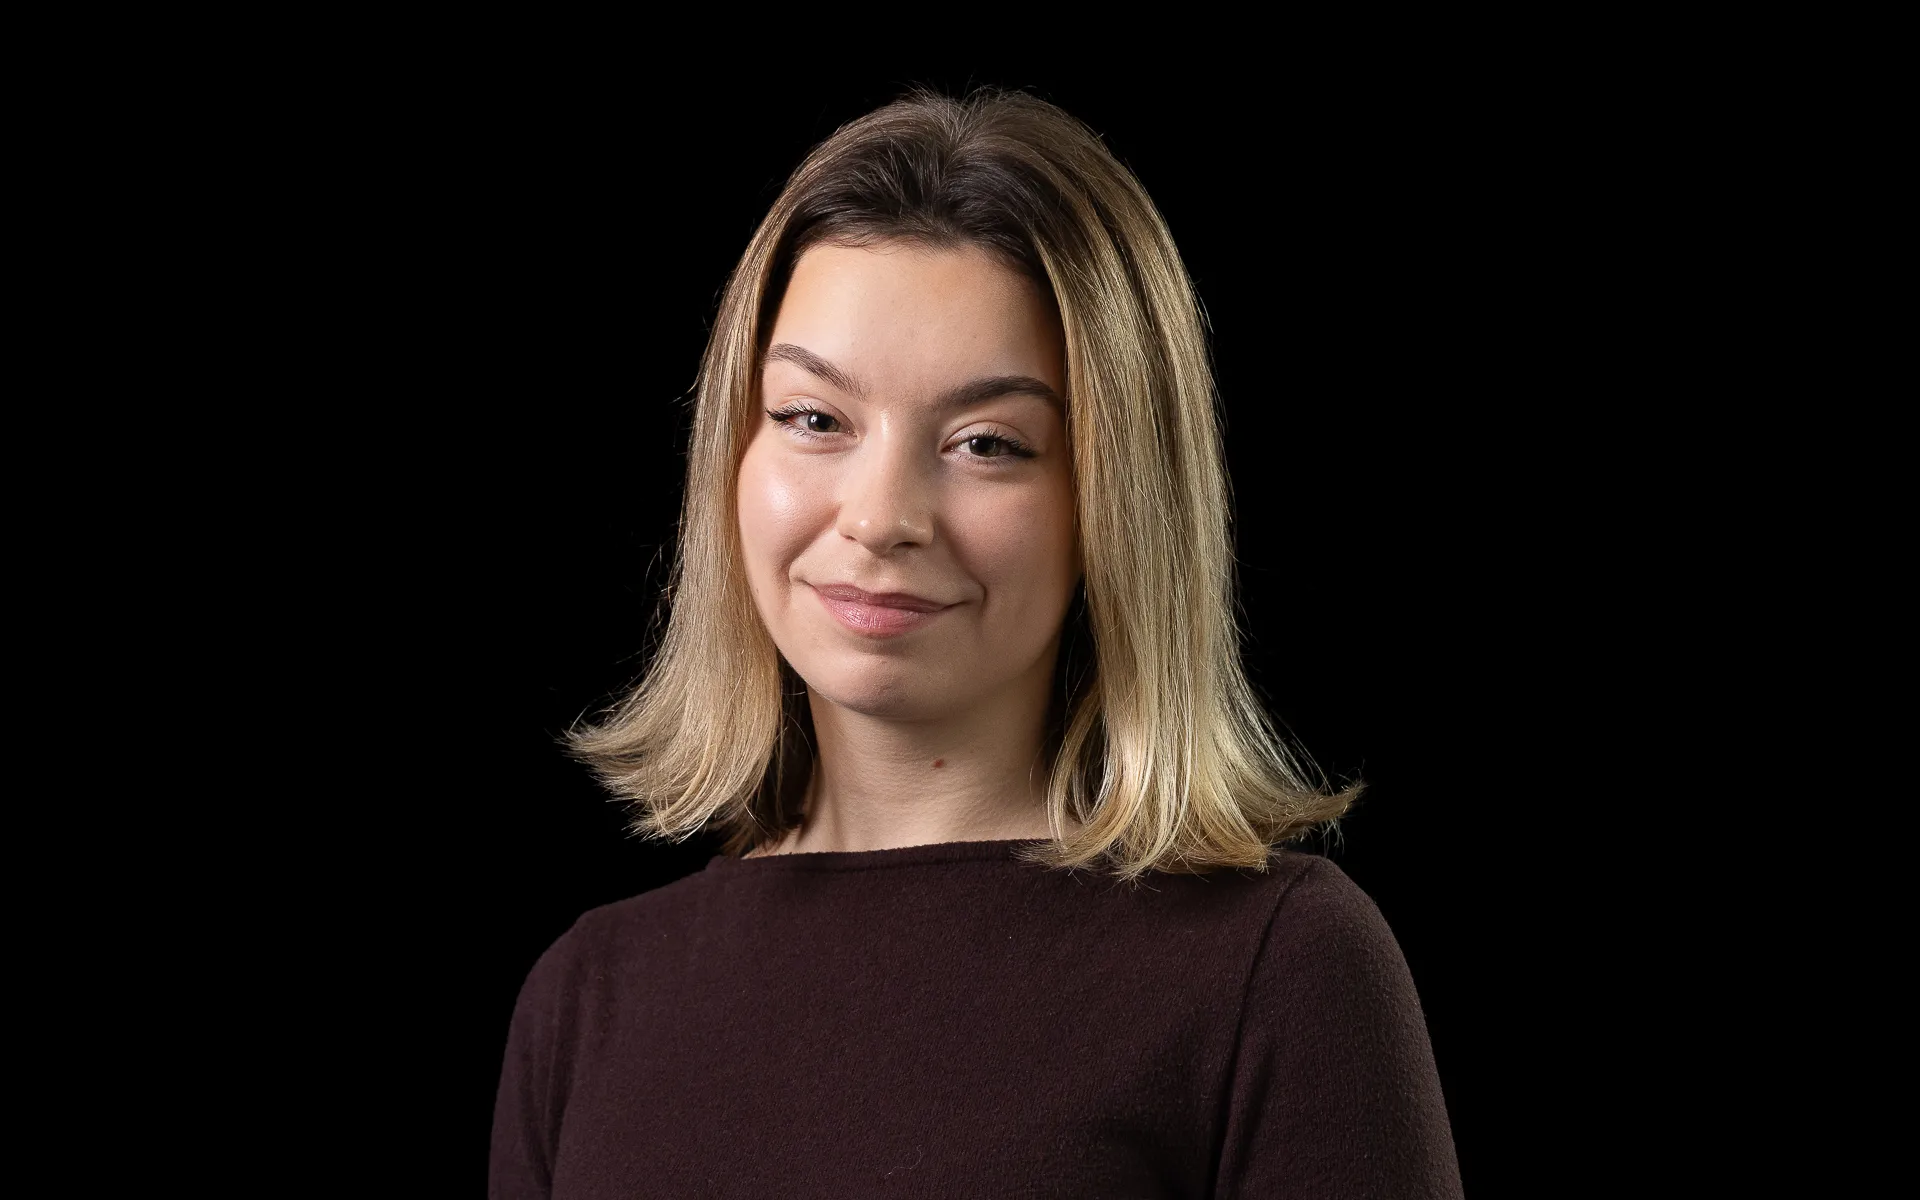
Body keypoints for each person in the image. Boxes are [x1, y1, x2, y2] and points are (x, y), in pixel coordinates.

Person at [490, 87, 1463, 1199]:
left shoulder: (1281, 967)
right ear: (733, 453)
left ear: (1115, 502)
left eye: (987, 442)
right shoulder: (586, 1001)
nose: (879, 514)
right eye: (815, 418)